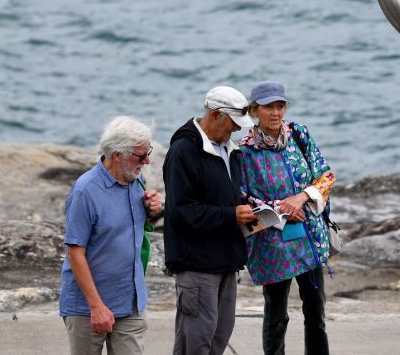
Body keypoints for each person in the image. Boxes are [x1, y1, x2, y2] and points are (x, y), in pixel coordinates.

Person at [239, 80, 336, 355]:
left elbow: (326, 176)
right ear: (254, 110)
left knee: (316, 312)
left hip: (309, 237)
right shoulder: (244, 150)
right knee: (276, 315)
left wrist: (301, 198)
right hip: (272, 245)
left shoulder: (299, 135)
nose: (276, 113)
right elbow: (242, 197)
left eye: (280, 106)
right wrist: (281, 209)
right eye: (268, 107)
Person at [162, 86, 257, 355]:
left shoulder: (230, 150)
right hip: (196, 264)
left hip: (227, 260)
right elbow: (181, 210)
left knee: (219, 336)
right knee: (197, 341)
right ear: (215, 115)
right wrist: (231, 215)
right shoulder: (183, 151)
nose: (236, 129)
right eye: (233, 123)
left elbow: (226, 198)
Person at [59, 116, 162, 355]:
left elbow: (130, 229)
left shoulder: (136, 179)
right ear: (117, 155)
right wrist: (96, 307)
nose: (147, 161)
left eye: (148, 153)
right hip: (88, 308)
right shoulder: (85, 191)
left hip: (131, 301)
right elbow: (75, 252)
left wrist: (150, 211)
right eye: (141, 155)